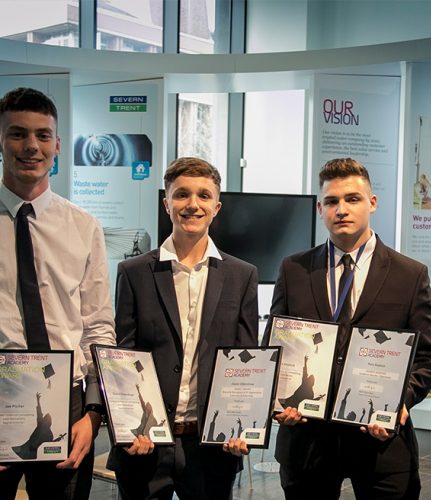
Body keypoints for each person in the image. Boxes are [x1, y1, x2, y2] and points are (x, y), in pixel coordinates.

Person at [262, 157, 431, 499]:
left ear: (372, 203)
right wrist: (276, 401)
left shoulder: (410, 274)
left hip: (380, 444)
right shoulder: (293, 270)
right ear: (320, 208)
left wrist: (397, 402)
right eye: (331, 201)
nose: (341, 209)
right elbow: (273, 350)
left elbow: (429, 358)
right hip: (307, 442)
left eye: (352, 199)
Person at [107, 157, 259, 499]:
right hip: (145, 443)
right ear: (166, 203)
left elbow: (244, 359)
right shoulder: (132, 273)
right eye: (182, 195)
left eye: (204, 196)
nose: (193, 204)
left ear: (217, 206)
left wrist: (242, 424)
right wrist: (131, 424)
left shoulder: (242, 275)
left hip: (211, 447)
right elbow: (123, 358)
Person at [0, 87, 116, 498]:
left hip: (65, 401)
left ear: (57, 145)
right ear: (0, 141)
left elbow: (99, 328)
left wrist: (94, 413)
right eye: (17, 134)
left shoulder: (84, 227)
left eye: (42, 136)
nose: (31, 146)